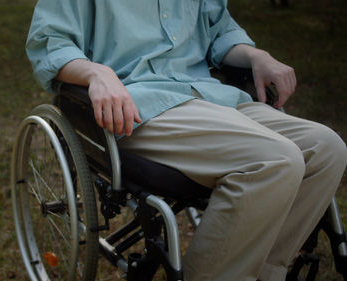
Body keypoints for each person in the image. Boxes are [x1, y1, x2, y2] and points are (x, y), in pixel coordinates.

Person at [25, 0, 347, 280]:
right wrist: (96, 73)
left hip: (210, 96)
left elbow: (220, 33)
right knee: (277, 159)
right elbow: (50, 41)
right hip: (138, 106)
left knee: (325, 148)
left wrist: (256, 55)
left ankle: (263, 273)